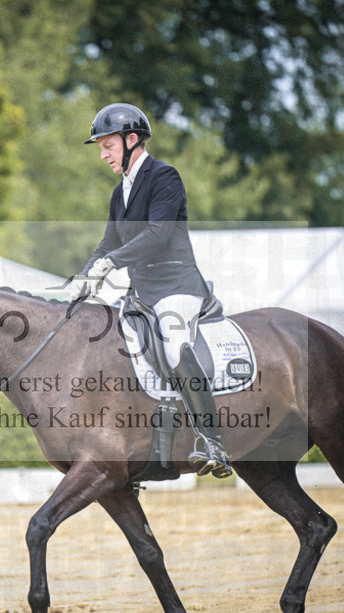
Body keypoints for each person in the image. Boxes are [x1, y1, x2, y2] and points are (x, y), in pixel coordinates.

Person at [66, 102, 232, 478]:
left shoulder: (164, 177)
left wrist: (111, 264)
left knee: (174, 344)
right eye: (101, 148)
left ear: (131, 140)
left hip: (177, 286)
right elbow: (108, 242)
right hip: (142, 292)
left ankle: (212, 442)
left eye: (107, 146)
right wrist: (86, 275)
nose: (104, 154)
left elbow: (157, 234)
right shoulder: (119, 191)